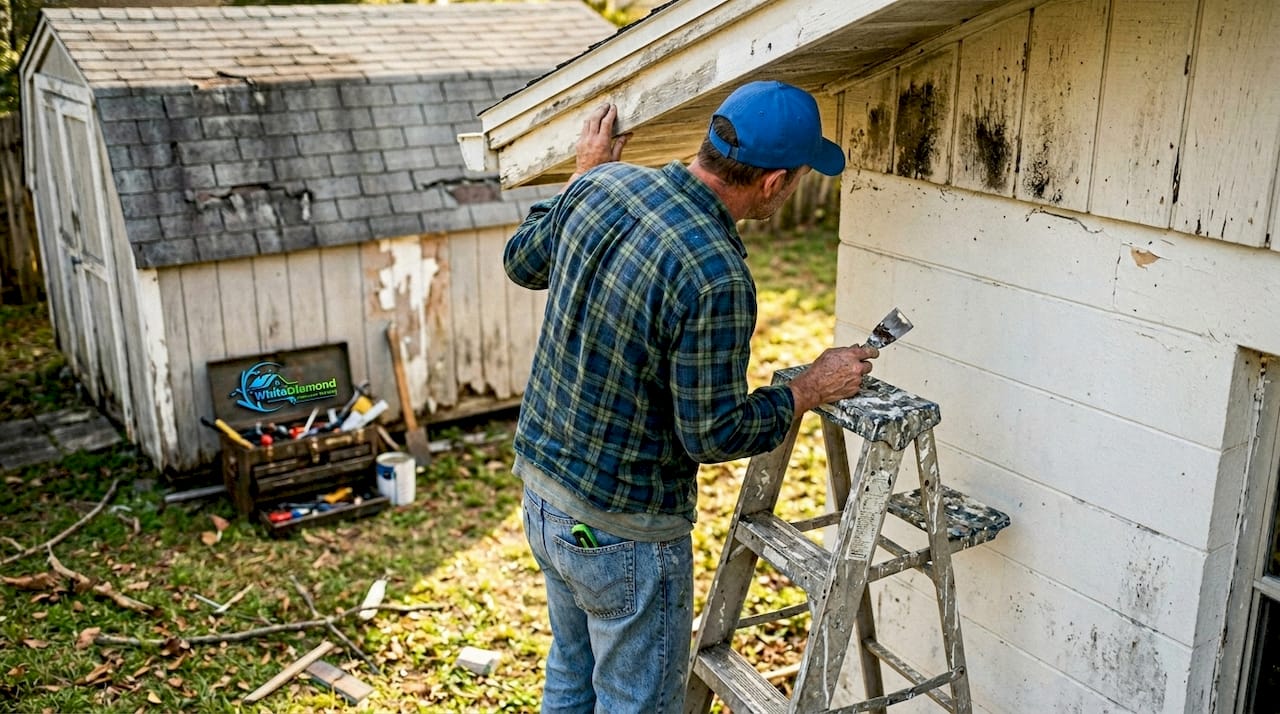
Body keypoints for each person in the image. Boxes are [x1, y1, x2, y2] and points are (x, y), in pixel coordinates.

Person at [504, 80, 879, 713]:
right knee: (636, 702)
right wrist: (808, 388)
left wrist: (583, 178)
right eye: (795, 181)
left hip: (543, 496)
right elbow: (713, 434)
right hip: (623, 531)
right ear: (773, 182)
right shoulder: (716, 275)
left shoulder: (601, 186)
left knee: (571, 674)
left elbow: (522, 261)